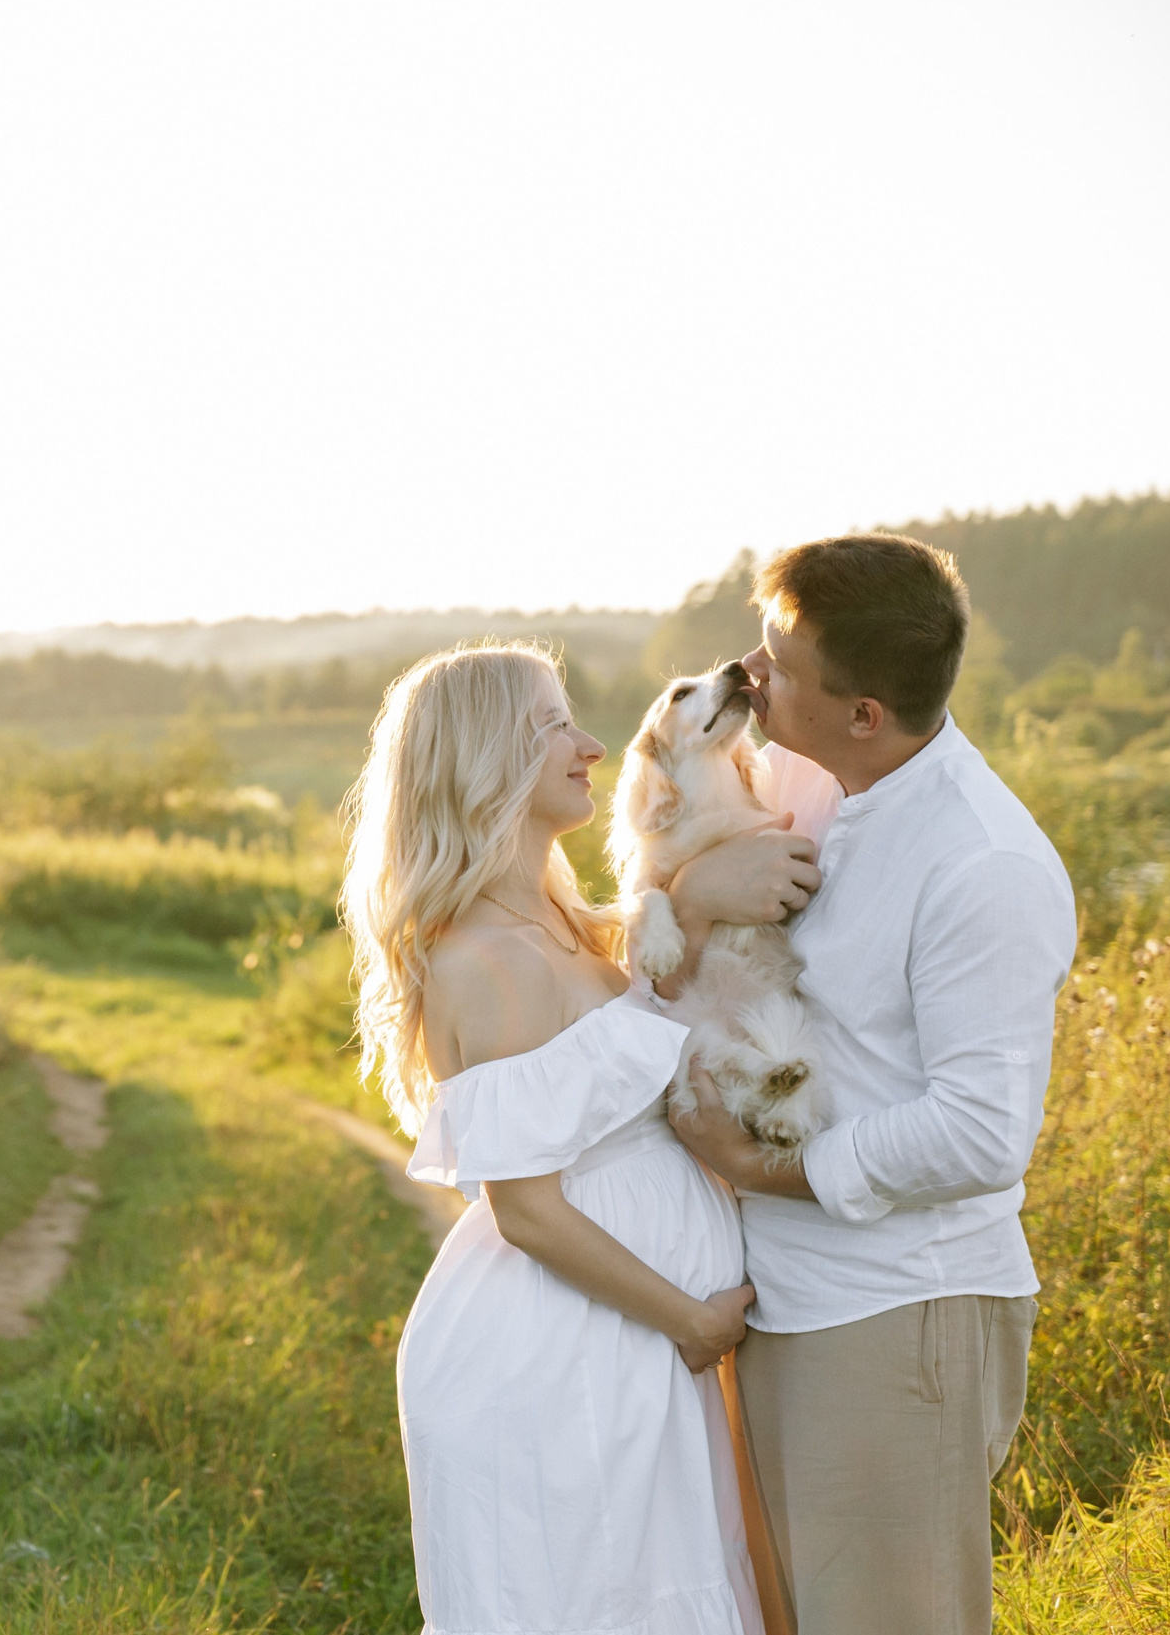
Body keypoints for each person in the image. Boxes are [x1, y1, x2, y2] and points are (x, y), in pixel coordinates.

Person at [654, 533, 1077, 1633]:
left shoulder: (982, 864)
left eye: (780, 664)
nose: (751, 673)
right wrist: (692, 894)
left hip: (897, 1315)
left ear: (864, 712)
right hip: (791, 1300)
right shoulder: (818, 782)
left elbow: (981, 1132)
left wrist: (762, 1169)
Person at [347, 643, 767, 1635]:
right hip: (566, 1357)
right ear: (487, 757)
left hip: (627, 1349)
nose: (591, 746)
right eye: (553, 726)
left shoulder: (568, 920)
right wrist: (689, 1321)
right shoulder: (481, 957)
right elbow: (526, 1209)